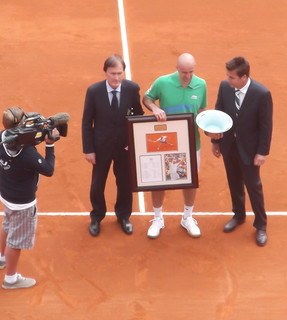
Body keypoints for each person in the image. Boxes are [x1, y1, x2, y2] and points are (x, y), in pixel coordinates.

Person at [143, 53, 218, 239]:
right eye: (184, 72)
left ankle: (187, 217)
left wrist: (208, 127)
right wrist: (155, 108)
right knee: (160, 180)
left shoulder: (201, 84)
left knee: (190, 180)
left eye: (191, 72)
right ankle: (158, 218)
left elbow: (201, 110)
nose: (187, 76)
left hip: (192, 142)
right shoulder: (162, 82)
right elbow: (146, 98)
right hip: (166, 141)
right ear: (176, 68)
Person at [209, 56, 273, 246]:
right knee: (234, 182)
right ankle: (238, 215)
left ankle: (261, 225)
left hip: (250, 150)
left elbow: (266, 126)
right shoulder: (225, 87)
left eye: (232, 77)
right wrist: (215, 141)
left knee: (254, 187)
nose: (228, 80)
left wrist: (262, 152)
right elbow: (218, 113)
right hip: (229, 146)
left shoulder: (261, 94)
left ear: (243, 77)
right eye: (227, 76)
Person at [82, 54, 144, 236]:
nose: (116, 78)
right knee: (97, 184)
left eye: (119, 73)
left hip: (124, 147)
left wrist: (133, 142)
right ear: (105, 73)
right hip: (101, 147)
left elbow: (137, 115)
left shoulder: (132, 89)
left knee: (125, 183)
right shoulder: (93, 91)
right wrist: (89, 149)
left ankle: (124, 216)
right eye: (112, 73)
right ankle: (96, 217)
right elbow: (87, 122)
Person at [0, 107, 60, 289]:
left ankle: (1, 258)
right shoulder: (27, 155)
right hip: (22, 204)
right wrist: (49, 144)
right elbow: (48, 169)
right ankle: (11, 279)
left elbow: (22, 140)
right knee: (16, 242)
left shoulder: (3, 137)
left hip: (6, 194)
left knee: (7, 225)